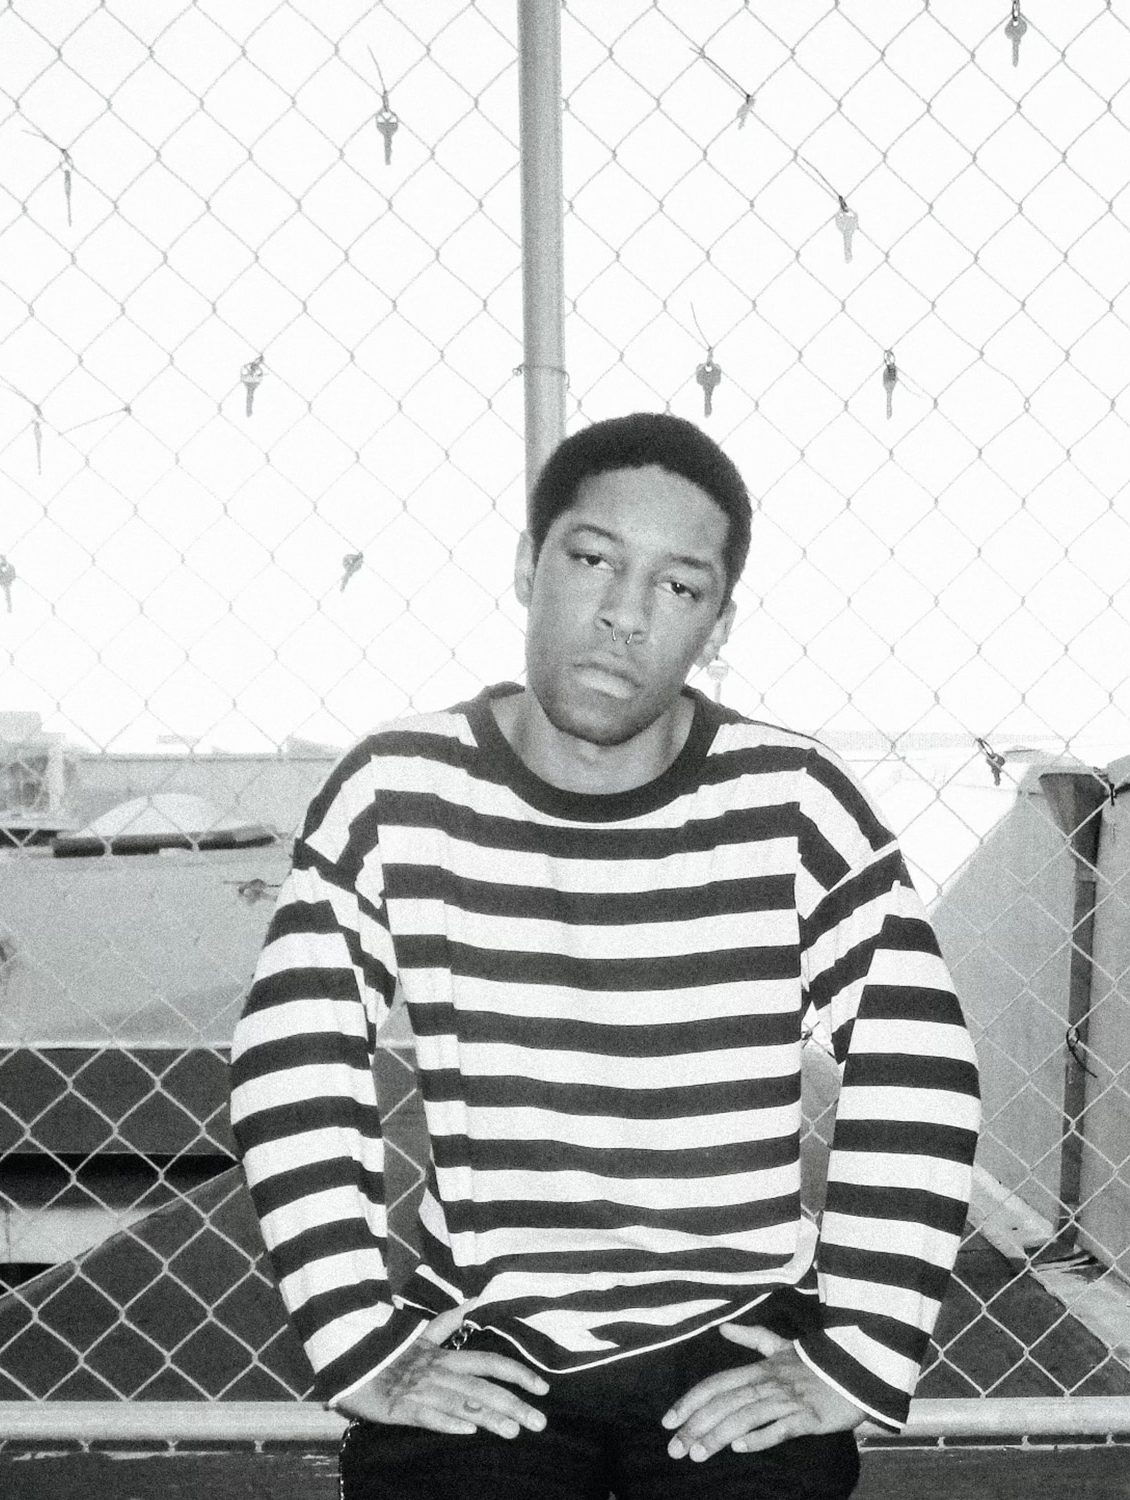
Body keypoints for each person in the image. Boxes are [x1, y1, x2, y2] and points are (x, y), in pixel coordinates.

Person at [230, 412, 980, 1499]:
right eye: (592, 560)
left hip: (729, 1334)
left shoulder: (790, 803)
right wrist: (362, 1342)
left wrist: (853, 1352)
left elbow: (919, 1063)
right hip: (492, 1337)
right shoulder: (398, 792)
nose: (624, 616)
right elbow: (293, 1055)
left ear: (716, 625)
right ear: (530, 568)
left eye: (678, 587)